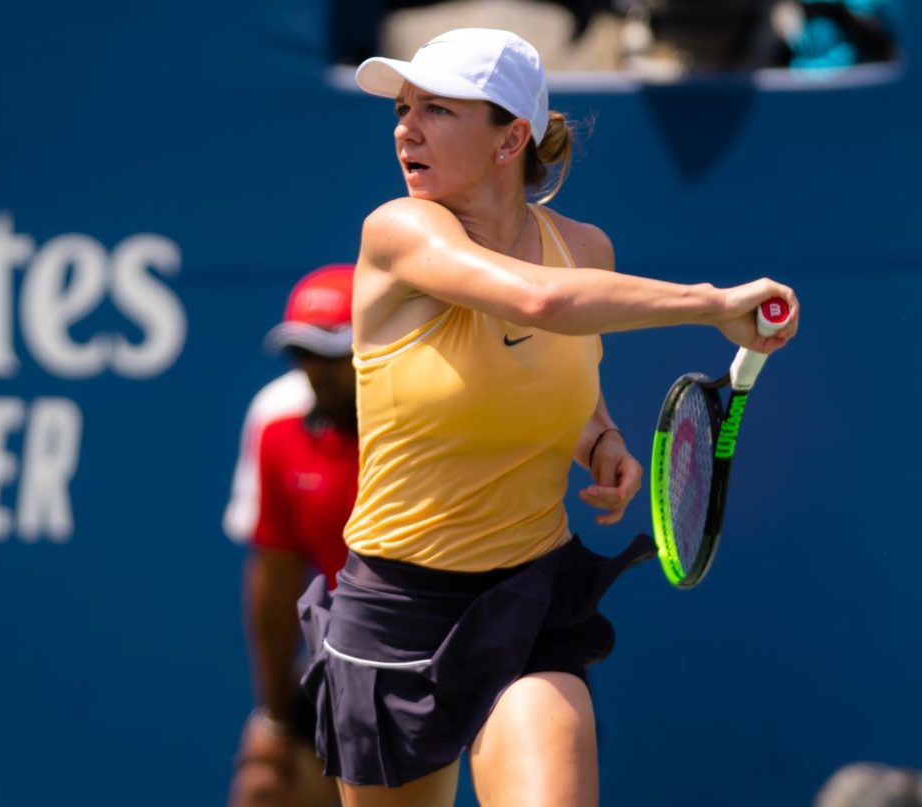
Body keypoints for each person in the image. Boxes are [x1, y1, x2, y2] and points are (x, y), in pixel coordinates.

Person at [297, 28, 800, 806]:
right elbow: (537, 302)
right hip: (397, 611)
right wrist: (711, 305)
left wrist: (600, 438)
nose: (405, 127)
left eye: (436, 108)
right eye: (402, 108)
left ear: (512, 137)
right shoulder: (398, 231)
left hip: (527, 594)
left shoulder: (584, 250)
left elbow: (565, 372)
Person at [224, 265, 358, 807]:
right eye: (303, 354)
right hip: (353, 655)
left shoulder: (447, 414)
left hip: (475, 651)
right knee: (263, 786)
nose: (314, 372)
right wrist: (275, 717)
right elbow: (275, 576)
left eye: (332, 355)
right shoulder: (278, 415)